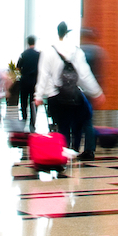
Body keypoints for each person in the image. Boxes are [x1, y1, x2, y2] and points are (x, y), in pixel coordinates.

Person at [34, 22, 102, 155]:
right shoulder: (76, 51)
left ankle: (63, 154)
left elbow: (43, 75)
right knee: (79, 122)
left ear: (57, 32)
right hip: (73, 95)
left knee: (62, 127)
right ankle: (75, 150)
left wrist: (38, 96)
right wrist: (96, 92)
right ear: (67, 33)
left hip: (55, 96)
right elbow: (84, 75)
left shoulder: (48, 51)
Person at [79, 27, 105, 160]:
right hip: (93, 90)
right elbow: (100, 74)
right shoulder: (98, 51)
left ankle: (88, 149)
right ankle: (89, 148)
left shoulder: (81, 51)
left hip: (82, 91)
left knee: (84, 121)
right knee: (88, 120)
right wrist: (99, 91)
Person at [17, 36, 40, 132]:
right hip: (35, 81)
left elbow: (18, 67)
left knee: (23, 101)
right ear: (34, 42)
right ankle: (32, 123)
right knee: (33, 102)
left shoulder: (23, 54)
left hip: (25, 80)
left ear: (27, 43)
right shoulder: (39, 54)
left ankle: (24, 120)